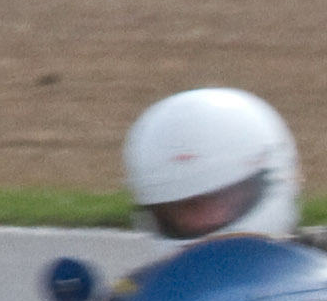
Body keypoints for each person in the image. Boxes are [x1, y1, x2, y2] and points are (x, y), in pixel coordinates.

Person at [123, 87, 303, 244]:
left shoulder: (324, 269)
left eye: (218, 199)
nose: (205, 219)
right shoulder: (144, 282)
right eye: (183, 207)